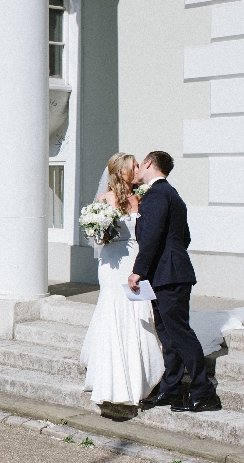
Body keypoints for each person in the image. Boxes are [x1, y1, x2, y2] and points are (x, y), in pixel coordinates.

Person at [128, 151, 222, 413]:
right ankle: (171, 389)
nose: (137, 169)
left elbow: (152, 236)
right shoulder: (172, 194)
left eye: (140, 164)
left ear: (148, 163)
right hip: (168, 273)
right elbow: (184, 237)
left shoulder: (157, 194)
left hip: (169, 275)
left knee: (179, 333)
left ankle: (204, 392)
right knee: (168, 335)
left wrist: (138, 270)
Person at [80, 152, 165, 406]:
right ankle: (110, 378)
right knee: (114, 310)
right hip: (112, 262)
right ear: (121, 172)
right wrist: (100, 230)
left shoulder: (141, 198)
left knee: (138, 311)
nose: (138, 168)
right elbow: (96, 239)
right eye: (133, 166)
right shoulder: (104, 200)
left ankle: (142, 375)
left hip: (134, 260)